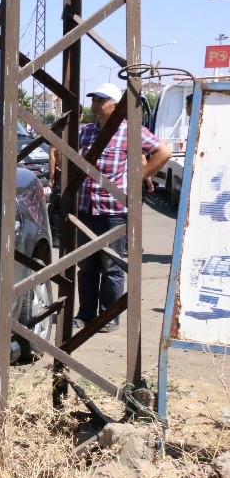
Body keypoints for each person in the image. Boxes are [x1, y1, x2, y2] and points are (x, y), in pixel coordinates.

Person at [75, 82, 171, 332]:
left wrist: (140, 176)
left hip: (113, 210)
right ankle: (85, 313)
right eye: (94, 100)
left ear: (116, 106)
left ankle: (108, 316)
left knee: (111, 265)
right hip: (86, 209)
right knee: (85, 266)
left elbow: (163, 152)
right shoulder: (86, 131)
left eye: (100, 100)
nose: (94, 105)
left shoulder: (131, 131)